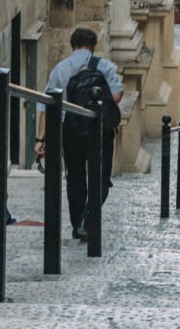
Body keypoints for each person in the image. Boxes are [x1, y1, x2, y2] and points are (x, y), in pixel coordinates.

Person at [35, 27, 123, 241]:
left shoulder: (60, 68)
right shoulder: (104, 66)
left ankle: (77, 226)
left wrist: (40, 139)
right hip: (99, 128)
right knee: (101, 177)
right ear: (93, 45)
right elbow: (117, 96)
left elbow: (47, 105)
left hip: (70, 129)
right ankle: (88, 218)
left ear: (72, 44)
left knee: (74, 176)